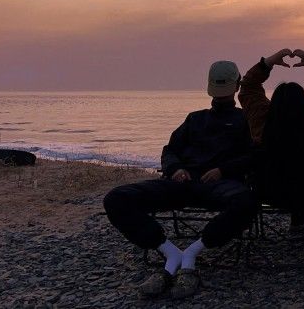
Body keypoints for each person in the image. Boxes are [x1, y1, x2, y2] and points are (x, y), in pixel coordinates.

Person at [104, 61, 257, 299]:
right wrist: (175, 169)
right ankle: (171, 252)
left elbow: (253, 156)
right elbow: (170, 150)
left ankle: (192, 253)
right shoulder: (195, 119)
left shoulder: (244, 120)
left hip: (220, 186)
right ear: (237, 85)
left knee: (247, 202)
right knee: (116, 199)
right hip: (181, 183)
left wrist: (222, 170)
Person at [238, 48, 304, 233]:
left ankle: (299, 219)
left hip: (271, 194)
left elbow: (248, 87)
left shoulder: (261, 121)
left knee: (290, 172)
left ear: (273, 105)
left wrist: (267, 63)